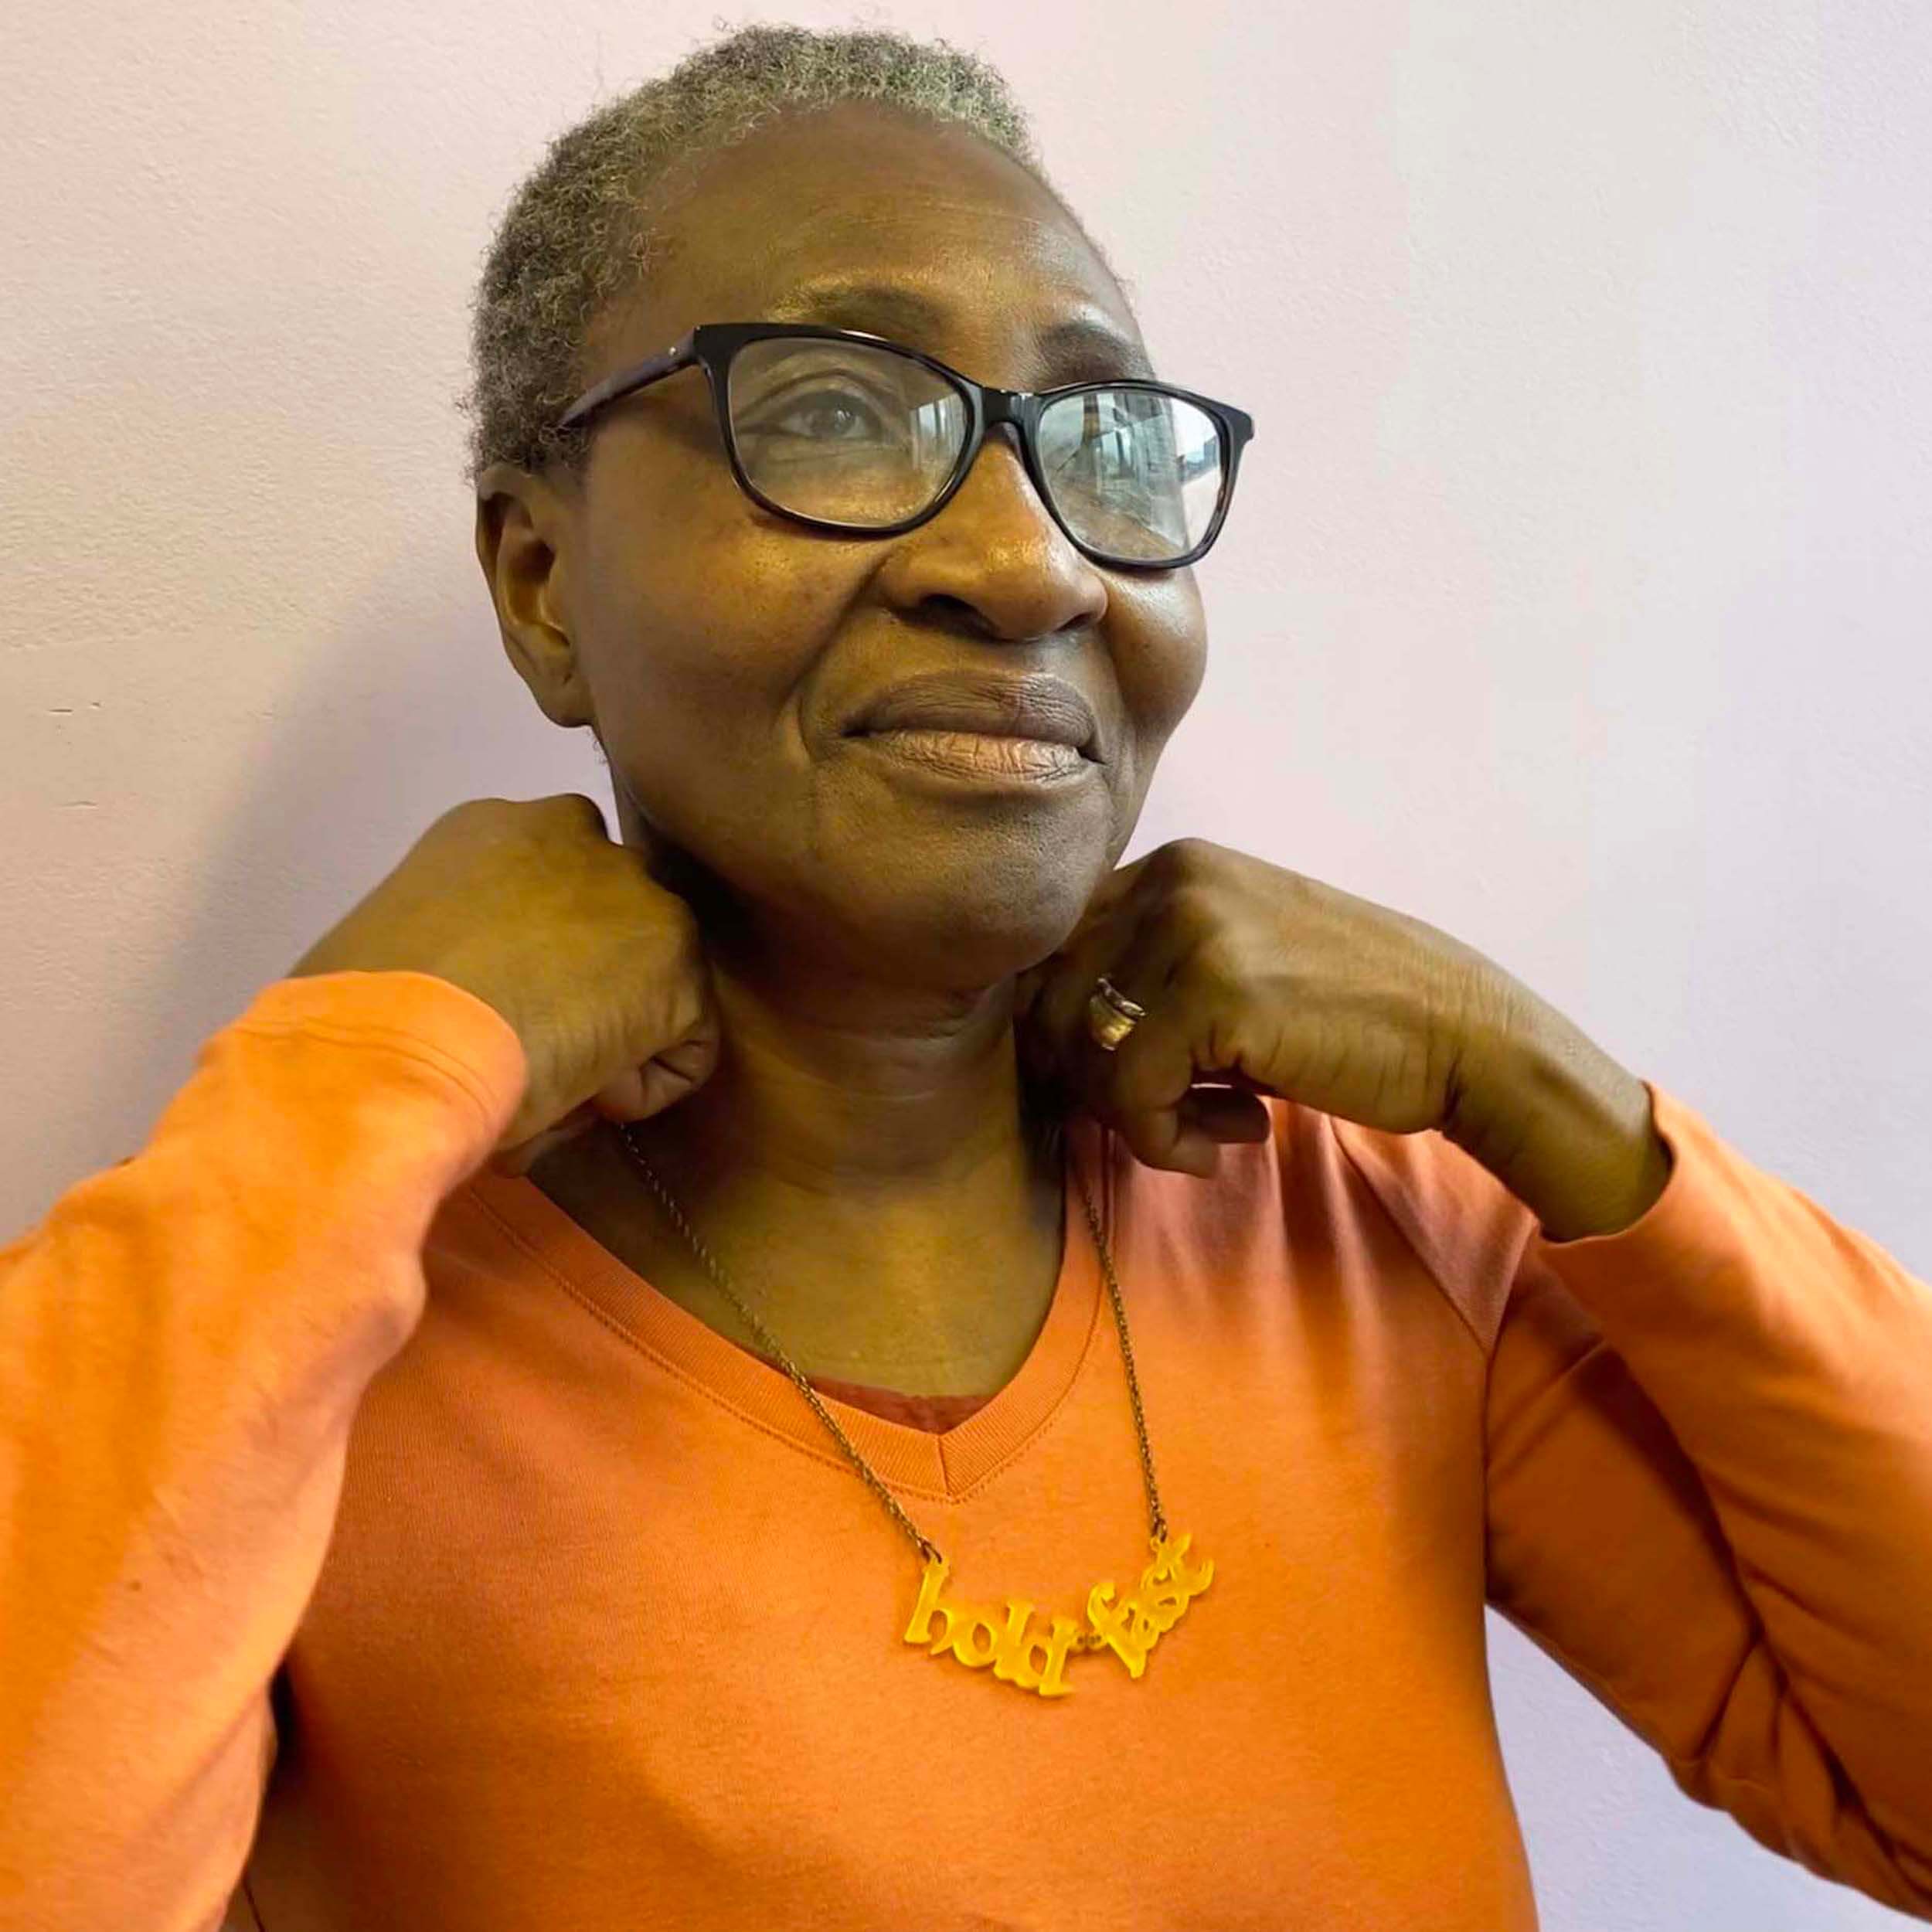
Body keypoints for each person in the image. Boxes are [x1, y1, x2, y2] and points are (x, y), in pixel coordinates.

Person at [5, 23, 1930, 1932]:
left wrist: (1551, 1093)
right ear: (537, 579)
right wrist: (365, 1067)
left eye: (1101, 438)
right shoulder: (307, 1314)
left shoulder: (1352, 1228)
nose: (1027, 566)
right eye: (838, 408)